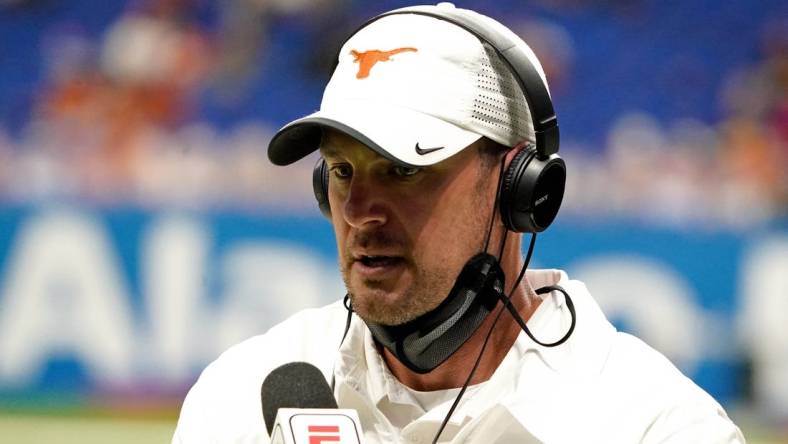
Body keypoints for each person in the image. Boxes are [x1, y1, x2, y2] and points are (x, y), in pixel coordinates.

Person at [173, 4, 744, 443]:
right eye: (343, 171)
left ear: (521, 187)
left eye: (402, 169)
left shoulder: (653, 425)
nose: (358, 211)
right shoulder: (243, 395)